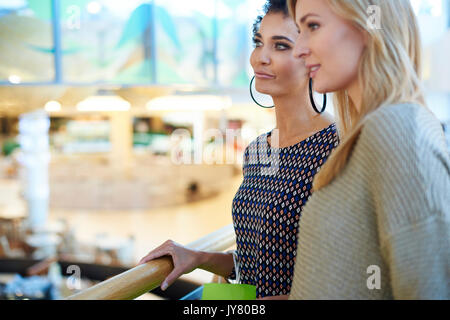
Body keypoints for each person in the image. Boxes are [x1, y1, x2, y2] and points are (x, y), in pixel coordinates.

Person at [138, 0, 339, 299]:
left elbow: (341, 281)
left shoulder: (336, 148)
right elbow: (255, 265)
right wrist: (197, 257)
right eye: (258, 42)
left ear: (312, 57)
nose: (261, 58)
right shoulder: (258, 149)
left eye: (280, 46)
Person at [285, 0, 449, 299]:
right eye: (299, 30)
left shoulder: (396, 127)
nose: (299, 49)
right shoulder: (366, 134)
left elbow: (430, 288)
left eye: (313, 26)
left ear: (368, 24)